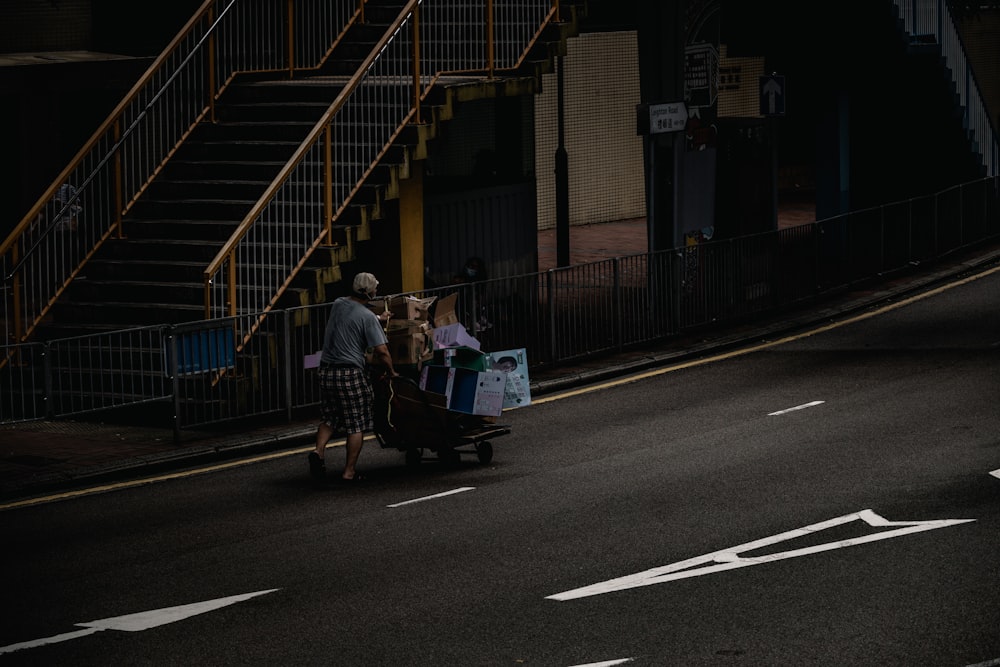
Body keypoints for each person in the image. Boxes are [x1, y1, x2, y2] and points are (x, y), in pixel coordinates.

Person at [309, 272, 397, 484]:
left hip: (326, 371)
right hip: (349, 373)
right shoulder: (367, 318)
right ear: (370, 292)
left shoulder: (339, 304)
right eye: (375, 288)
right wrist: (392, 372)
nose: (377, 291)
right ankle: (349, 472)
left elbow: (353, 318)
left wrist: (378, 318)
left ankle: (318, 452)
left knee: (329, 417)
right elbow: (382, 351)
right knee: (356, 423)